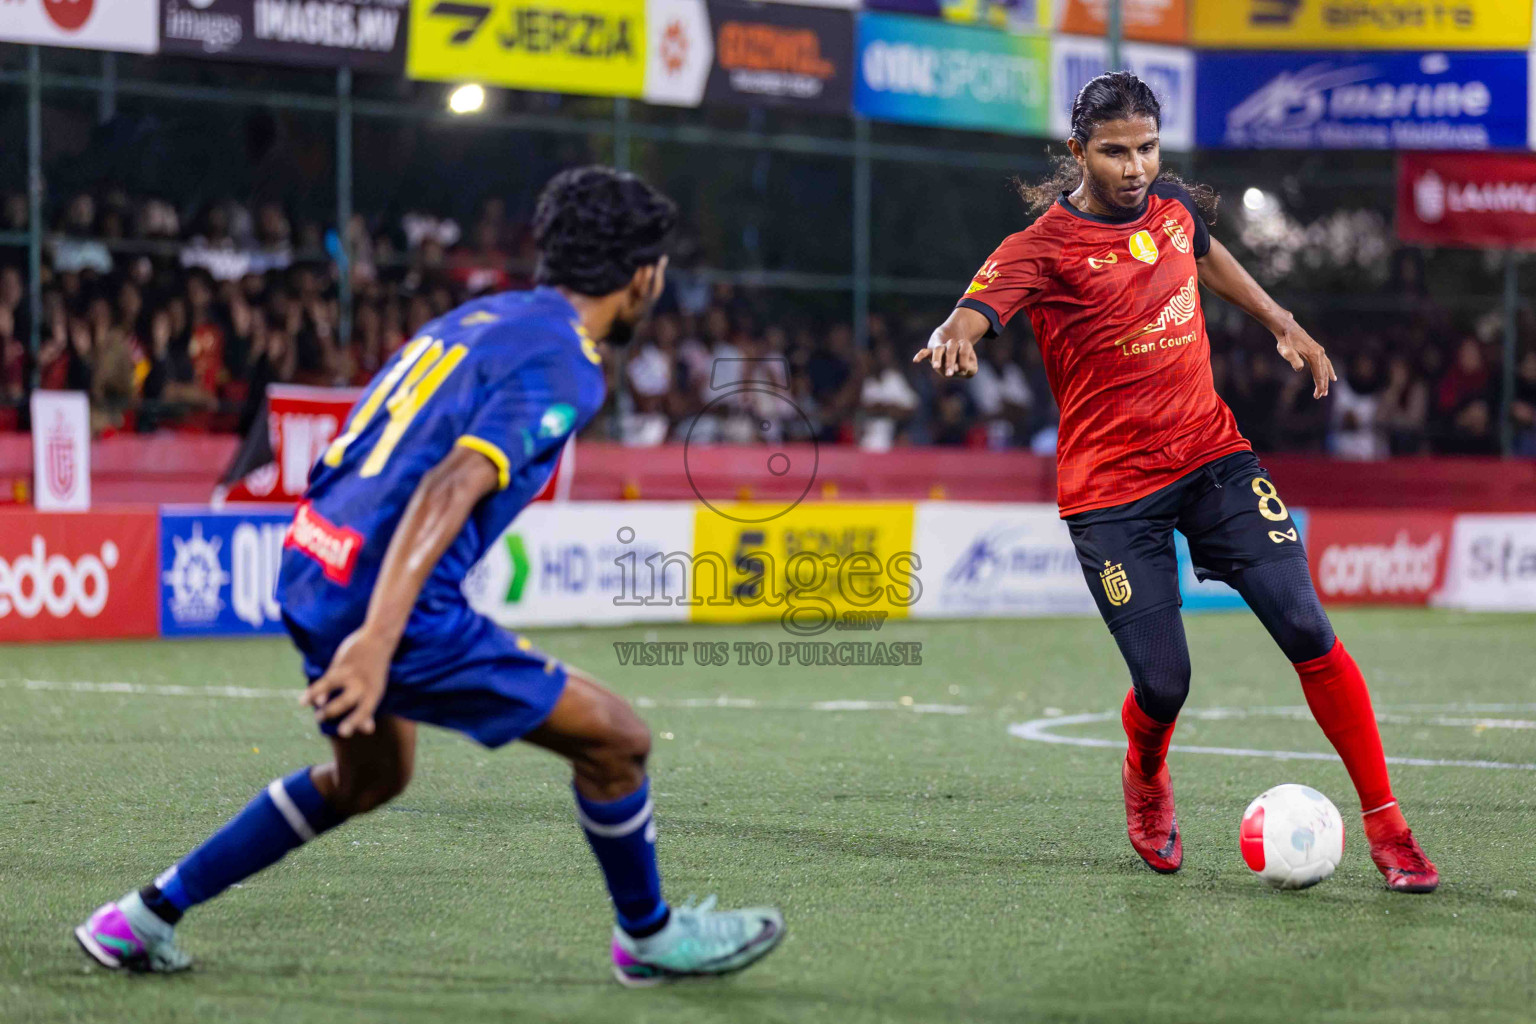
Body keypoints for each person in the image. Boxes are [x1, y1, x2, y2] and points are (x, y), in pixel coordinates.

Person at [75, 167, 786, 983]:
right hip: (390, 602)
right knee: (617, 742)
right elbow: (452, 482)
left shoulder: (478, 318)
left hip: (316, 559)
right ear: (642, 275)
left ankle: (140, 918)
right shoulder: (567, 361)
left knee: (370, 776)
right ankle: (651, 939)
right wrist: (380, 636)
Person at [914, 73, 1437, 893]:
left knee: (1306, 628)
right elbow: (975, 307)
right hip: (1112, 495)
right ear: (1079, 151)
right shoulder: (1042, 247)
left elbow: (1205, 252)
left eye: (1148, 148)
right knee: (1165, 682)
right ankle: (1146, 775)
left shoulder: (1173, 206)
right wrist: (956, 334)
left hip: (1212, 460)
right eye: (1116, 151)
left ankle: (1390, 827)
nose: (1135, 167)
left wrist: (1283, 322)